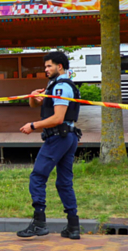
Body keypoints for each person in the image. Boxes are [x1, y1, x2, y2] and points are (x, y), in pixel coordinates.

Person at [17, 51, 83, 240]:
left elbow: (58, 118)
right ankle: (73, 226)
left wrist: (32, 126)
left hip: (59, 138)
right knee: (64, 182)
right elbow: (35, 106)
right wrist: (33, 97)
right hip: (67, 137)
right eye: (45, 66)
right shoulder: (55, 85)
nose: (45, 70)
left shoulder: (61, 87)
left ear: (59, 67)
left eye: (49, 66)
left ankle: (39, 223)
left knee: (37, 176)